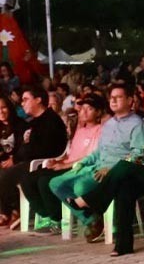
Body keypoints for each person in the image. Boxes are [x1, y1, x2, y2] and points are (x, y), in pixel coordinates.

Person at [55, 84, 144, 242]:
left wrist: (111, 169)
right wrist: (82, 163)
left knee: (80, 187)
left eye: (118, 97)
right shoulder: (109, 124)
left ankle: (101, 222)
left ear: (130, 100)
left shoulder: (137, 124)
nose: (113, 100)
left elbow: (138, 155)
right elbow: (99, 151)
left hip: (118, 172)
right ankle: (92, 220)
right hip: (96, 167)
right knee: (56, 183)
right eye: (111, 97)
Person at [22, 94, 105, 234]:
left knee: (44, 181)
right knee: (28, 179)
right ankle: (46, 216)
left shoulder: (100, 130)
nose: (83, 112)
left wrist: (65, 166)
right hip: (67, 164)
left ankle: (57, 220)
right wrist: (58, 161)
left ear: (98, 112)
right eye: (82, 108)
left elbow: (89, 157)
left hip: (80, 168)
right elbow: (71, 153)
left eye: (89, 109)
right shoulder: (80, 130)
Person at [0, 86, 68, 228]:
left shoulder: (51, 120)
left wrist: (18, 158)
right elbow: (26, 147)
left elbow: (44, 149)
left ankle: (14, 211)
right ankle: (9, 211)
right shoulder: (34, 122)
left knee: (7, 176)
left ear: (38, 100)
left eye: (25, 99)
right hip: (29, 160)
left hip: (45, 163)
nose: (22, 103)